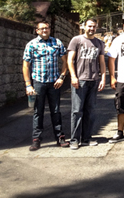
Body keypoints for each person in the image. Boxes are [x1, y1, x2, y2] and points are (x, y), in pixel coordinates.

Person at [23, 21, 70, 151]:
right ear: (37, 30)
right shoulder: (31, 45)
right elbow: (26, 65)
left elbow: (65, 61)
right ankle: (36, 139)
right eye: (42, 28)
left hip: (54, 83)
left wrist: (62, 77)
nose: (45, 30)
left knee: (56, 111)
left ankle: (60, 137)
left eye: (47, 28)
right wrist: (28, 85)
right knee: (38, 111)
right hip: (38, 82)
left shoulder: (57, 43)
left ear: (50, 29)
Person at [67, 19, 106, 150]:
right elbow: (70, 60)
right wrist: (73, 76)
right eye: (89, 26)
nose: (91, 28)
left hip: (93, 80)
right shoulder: (76, 40)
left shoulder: (99, 43)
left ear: (97, 27)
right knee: (77, 111)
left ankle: (86, 138)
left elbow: (101, 62)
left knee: (90, 111)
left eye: (94, 26)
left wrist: (103, 78)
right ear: (84, 26)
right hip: (80, 80)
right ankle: (74, 139)